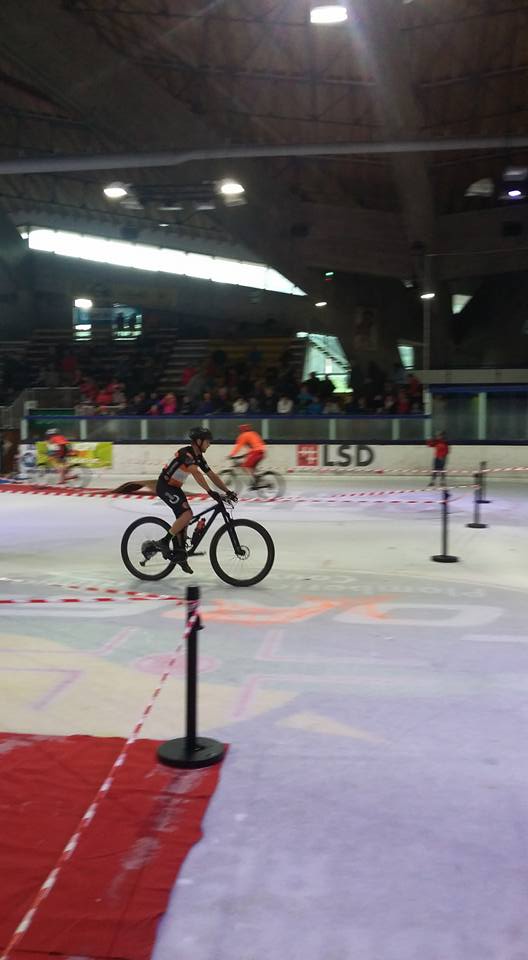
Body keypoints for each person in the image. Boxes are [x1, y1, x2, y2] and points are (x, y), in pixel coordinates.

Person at [148, 427, 237, 574]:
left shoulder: (198, 457)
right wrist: (210, 491)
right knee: (187, 515)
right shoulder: (186, 454)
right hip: (165, 487)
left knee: (185, 520)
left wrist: (227, 491)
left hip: (175, 488)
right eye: (207, 441)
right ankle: (164, 542)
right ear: (199, 441)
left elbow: (211, 475)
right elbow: (196, 473)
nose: (209, 444)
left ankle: (180, 556)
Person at [229, 423, 266, 490]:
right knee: (251, 467)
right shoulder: (254, 433)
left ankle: (256, 482)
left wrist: (231, 455)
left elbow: (238, 447)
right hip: (262, 452)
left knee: (246, 465)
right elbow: (257, 445)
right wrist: (245, 455)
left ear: (241, 430)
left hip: (256, 452)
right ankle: (256, 480)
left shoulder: (243, 435)